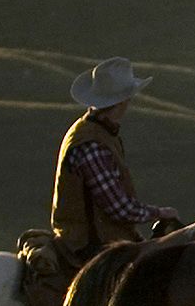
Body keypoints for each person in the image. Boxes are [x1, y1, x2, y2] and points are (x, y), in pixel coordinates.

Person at [49, 57, 184, 263]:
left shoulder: (92, 132)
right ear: (123, 101)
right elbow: (119, 207)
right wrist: (160, 213)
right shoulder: (92, 143)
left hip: (93, 237)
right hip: (91, 243)